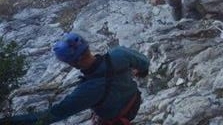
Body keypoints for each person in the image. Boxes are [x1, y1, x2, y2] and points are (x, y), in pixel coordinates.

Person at [0, 33, 149, 125]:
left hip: (115, 118)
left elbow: (52, 115)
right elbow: (144, 63)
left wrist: (9, 121)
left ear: (71, 63)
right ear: (87, 47)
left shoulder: (86, 91)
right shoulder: (119, 54)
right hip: (134, 101)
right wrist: (140, 72)